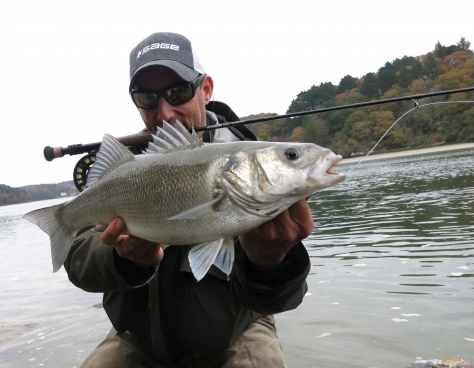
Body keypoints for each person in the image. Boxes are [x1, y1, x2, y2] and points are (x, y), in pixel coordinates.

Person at [65, 32, 313, 368]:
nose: (165, 112)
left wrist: (271, 264)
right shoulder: (123, 168)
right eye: (147, 98)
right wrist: (124, 260)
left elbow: (281, 299)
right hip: (135, 340)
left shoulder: (255, 168)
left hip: (238, 334)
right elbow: (79, 263)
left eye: (178, 92)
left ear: (206, 89)